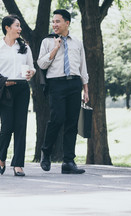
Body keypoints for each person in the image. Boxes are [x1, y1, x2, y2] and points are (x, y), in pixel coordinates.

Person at [37, 9, 89, 174]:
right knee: (57, 118)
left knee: (72, 123)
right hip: (56, 84)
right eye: (53, 22)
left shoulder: (77, 43)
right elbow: (41, 64)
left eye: (57, 21)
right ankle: (46, 151)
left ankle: (68, 162)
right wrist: (54, 49)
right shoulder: (47, 41)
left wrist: (85, 89)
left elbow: (83, 67)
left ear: (67, 23)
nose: (54, 25)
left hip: (74, 84)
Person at [0, 15, 35, 176]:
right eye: (17, 26)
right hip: (4, 90)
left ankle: (18, 164)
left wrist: (30, 73)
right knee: (7, 126)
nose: (20, 29)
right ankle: (2, 156)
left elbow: (32, 68)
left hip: (22, 88)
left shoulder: (25, 47)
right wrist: (2, 81)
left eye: (20, 26)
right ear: (7, 27)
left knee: (20, 126)